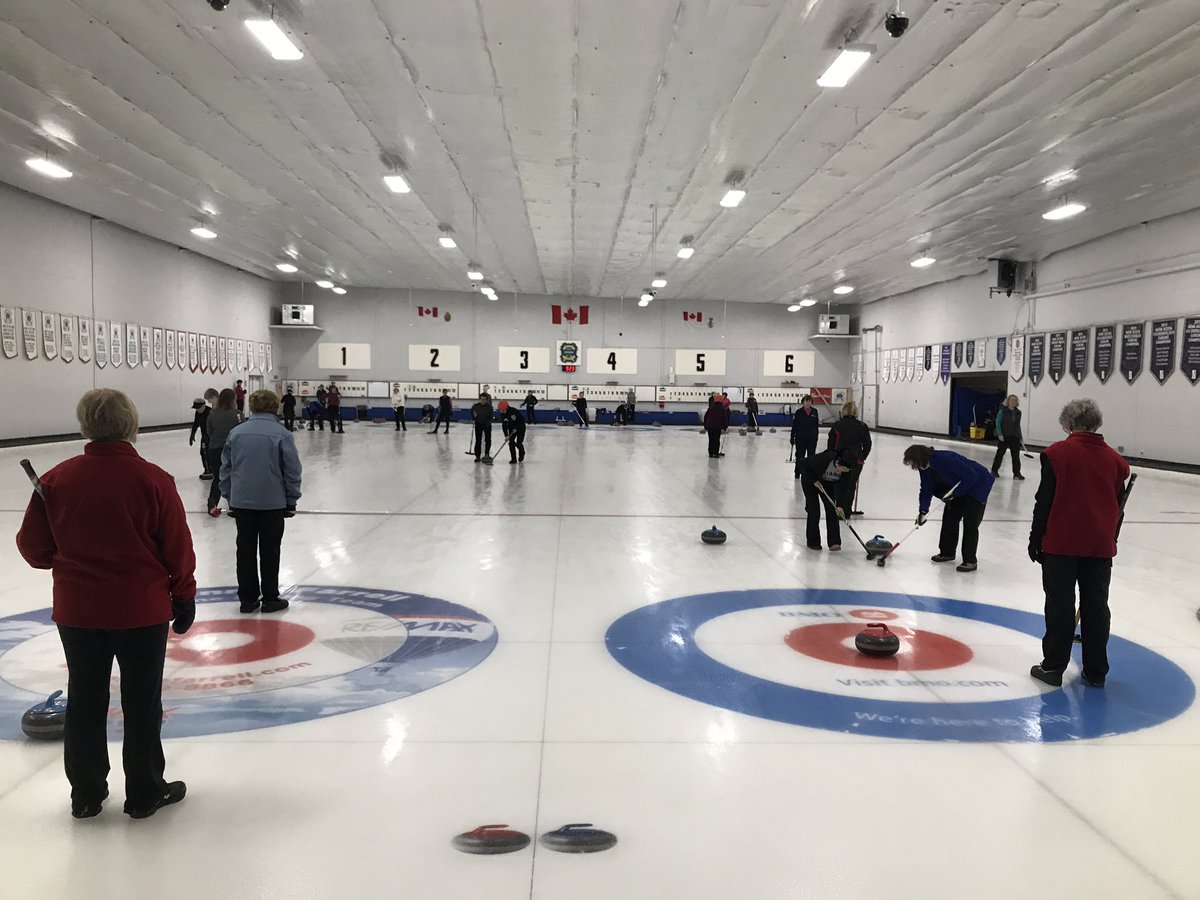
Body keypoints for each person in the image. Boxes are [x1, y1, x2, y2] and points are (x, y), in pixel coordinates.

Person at [16, 389, 195, 820]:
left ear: (86, 425)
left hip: (80, 612)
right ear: (131, 423)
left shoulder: (56, 481)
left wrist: (70, 557)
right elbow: (177, 547)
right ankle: (145, 791)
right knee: (142, 701)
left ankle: (86, 793)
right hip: (141, 612)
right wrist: (184, 594)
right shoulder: (154, 480)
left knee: (85, 699)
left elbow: (33, 549)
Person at [1028, 399, 1130, 688]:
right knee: (1096, 607)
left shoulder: (1056, 454)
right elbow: (1116, 507)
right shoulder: (1116, 461)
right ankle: (1096, 671)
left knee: (1060, 605)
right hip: (1099, 545)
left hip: (1061, 543)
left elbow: (1044, 501)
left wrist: (1035, 538)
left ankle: (1053, 667)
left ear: (1068, 424)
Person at [220, 390, 302, 614]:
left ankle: (247, 599)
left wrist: (229, 496)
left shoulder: (236, 433)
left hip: (242, 502)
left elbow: (226, 468)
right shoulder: (282, 434)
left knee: (245, 550)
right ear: (275, 407)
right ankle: (270, 598)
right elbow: (292, 470)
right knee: (270, 550)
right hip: (272, 503)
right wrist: (291, 499)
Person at [902, 444, 994, 573]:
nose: (914, 467)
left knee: (970, 523)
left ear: (920, 458)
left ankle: (970, 560)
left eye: (914, 463)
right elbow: (926, 489)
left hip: (978, 485)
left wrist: (955, 493)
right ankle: (947, 552)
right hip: (957, 488)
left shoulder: (947, 458)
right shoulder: (924, 468)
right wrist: (923, 511)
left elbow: (971, 476)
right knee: (950, 518)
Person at [797, 446, 862, 551]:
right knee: (814, 511)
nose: (847, 471)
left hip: (827, 484)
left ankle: (834, 541)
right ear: (839, 463)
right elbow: (802, 464)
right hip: (810, 482)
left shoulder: (847, 471)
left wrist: (840, 505)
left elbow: (845, 488)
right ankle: (813, 541)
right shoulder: (826, 458)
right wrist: (814, 480)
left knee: (832, 509)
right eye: (845, 469)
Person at [828, 400, 871, 514]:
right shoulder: (862, 426)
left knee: (838, 484)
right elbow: (867, 444)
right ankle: (847, 510)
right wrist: (862, 457)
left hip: (840, 459)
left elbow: (831, 444)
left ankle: (839, 508)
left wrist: (832, 458)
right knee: (851, 485)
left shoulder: (837, 425)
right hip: (856, 460)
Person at [205, 389, 241, 517]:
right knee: (233, 477)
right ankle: (234, 506)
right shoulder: (237, 414)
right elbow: (242, 430)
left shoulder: (213, 413)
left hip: (215, 449)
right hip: (232, 449)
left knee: (218, 478)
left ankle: (212, 504)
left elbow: (209, 431)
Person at [991, 394, 1024, 479]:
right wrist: (999, 434)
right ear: (1008, 401)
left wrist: (1020, 437)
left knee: (1016, 456)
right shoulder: (1002, 411)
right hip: (1004, 436)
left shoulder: (1018, 412)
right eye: (1012, 400)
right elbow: (998, 422)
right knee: (1000, 454)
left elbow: (1018, 426)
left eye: (1015, 400)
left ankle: (1017, 473)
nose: (1013, 402)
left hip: (1015, 436)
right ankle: (994, 471)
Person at [188, 389, 217, 479]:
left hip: (213, 437)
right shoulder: (198, 412)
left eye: (199, 407)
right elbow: (196, 423)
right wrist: (192, 434)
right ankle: (207, 470)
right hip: (204, 436)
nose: (197, 410)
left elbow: (216, 425)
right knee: (203, 453)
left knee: (211, 453)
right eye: (196, 408)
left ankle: (213, 470)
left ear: (204, 405)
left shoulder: (211, 412)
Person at [791, 394, 820, 467]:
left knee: (811, 457)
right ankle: (798, 471)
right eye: (806, 401)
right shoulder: (798, 412)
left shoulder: (814, 411)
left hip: (811, 439)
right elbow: (795, 426)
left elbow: (816, 425)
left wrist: (816, 436)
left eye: (809, 401)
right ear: (803, 402)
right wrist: (792, 437)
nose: (807, 403)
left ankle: (810, 472)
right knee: (800, 457)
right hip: (800, 439)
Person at [471, 392, 494, 461]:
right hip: (478, 424)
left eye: (484, 399)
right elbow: (471, 411)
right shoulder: (476, 406)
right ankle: (477, 456)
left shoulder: (489, 407)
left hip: (487, 425)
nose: (482, 401)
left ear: (486, 400)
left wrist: (488, 424)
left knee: (488, 440)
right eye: (481, 399)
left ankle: (487, 454)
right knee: (478, 440)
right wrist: (473, 418)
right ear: (479, 399)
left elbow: (491, 417)